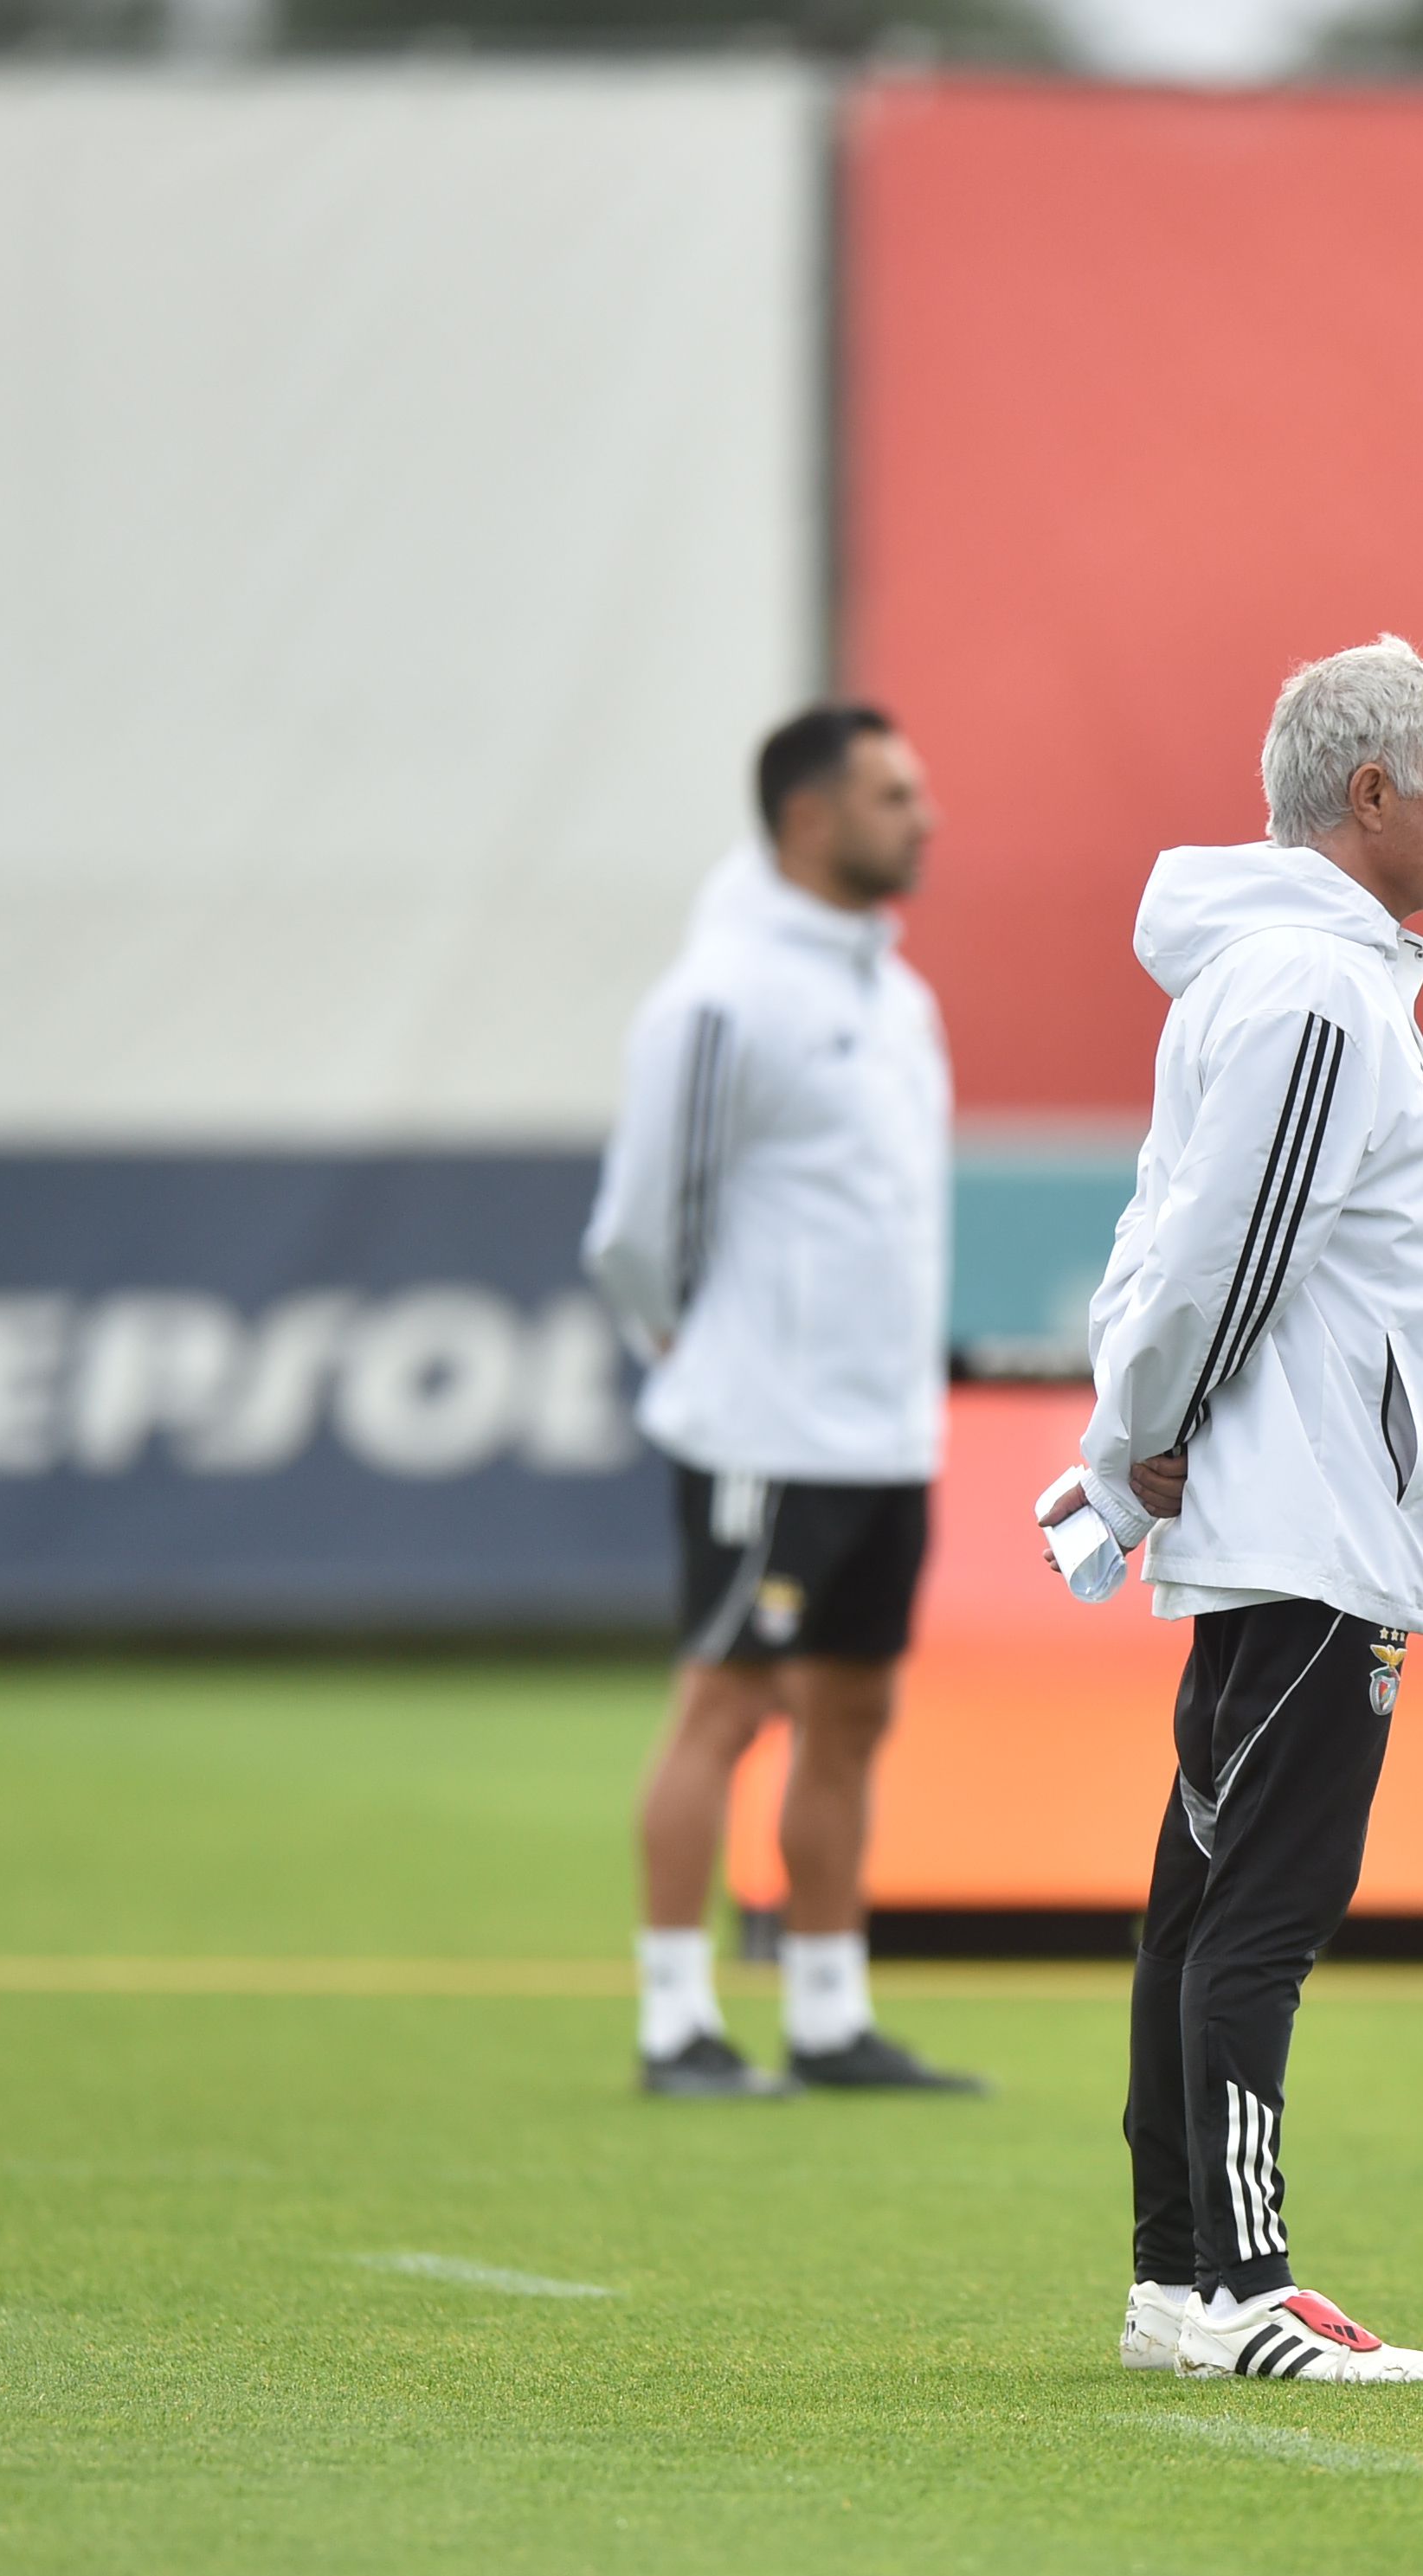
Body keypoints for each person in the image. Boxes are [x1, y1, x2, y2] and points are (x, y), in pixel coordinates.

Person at [1041, 636, 1423, 2383]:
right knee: (1263, 1906)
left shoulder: (1276, 979)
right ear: (1368, 794)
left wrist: (1129, 1434)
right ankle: (1240, 2279)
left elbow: (1168, 1235)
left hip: (1283, 1504)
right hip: (1307, 1515)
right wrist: (1138, 1436)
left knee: (1206, 1893)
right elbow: (1232, 1248)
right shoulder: (1314, 990)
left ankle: (1175, 2279)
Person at [583, 703, 982, 2100]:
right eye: (894, 794)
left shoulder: (898, 996)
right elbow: (641, 1224)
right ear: (809, 819)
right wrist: (705, 1364)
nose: (925, 817)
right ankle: (674, 2021)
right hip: (764, 1428)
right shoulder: (719, 995)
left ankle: (826, 2016)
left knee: (853, 1712)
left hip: (883, 1432)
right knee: (727, 1704)